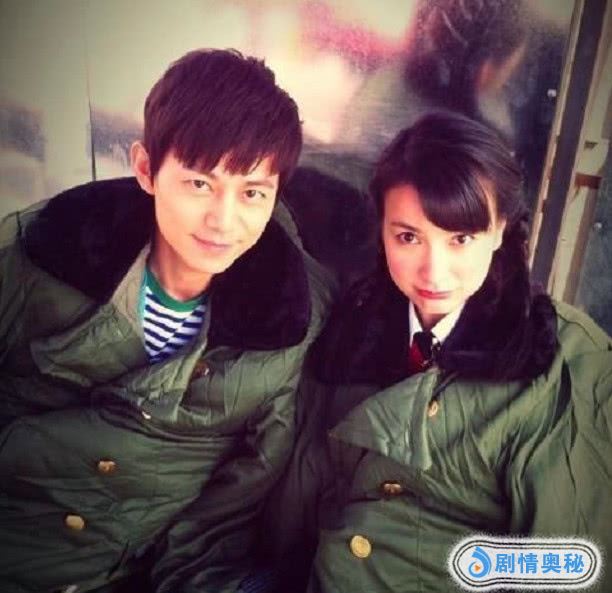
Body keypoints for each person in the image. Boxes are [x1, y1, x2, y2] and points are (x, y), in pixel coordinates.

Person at [0, 48, 333, 593]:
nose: (224, 221)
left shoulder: (289, 321)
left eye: (252, 193)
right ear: (146, 169)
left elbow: (233, 505)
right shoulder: (43, 258)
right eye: (200, 184)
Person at [264, 111, 612, 592]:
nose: (434, 272)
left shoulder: (561, 358)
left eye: (460, 239)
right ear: (382, 230)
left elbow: (571, 565)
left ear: (499, 230)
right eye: (408, 237)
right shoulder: (349, 327)